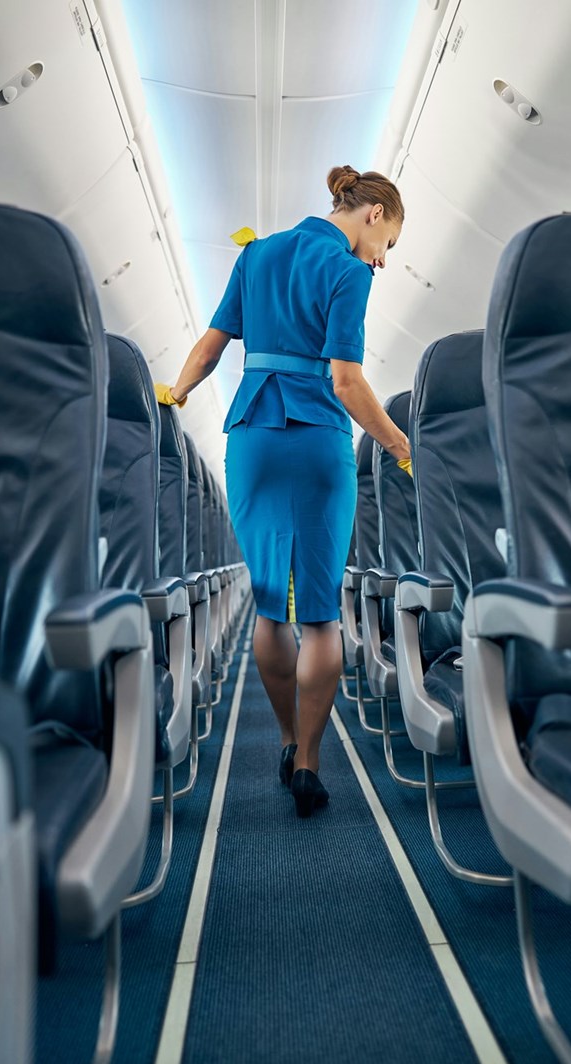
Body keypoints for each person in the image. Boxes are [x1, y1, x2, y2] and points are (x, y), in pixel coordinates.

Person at [156, 165, 410, 817]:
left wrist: (174, 395)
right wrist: (400, 446)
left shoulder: (257, 253)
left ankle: (288, 736)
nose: (382, 260)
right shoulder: (348, 272)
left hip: (253, 439)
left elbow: (210, 349)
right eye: (388, 243)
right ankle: (308, 763)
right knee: (320, 614)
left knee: (272, 607)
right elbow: (346, 382)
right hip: (317, 437)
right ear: (373, 214)